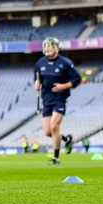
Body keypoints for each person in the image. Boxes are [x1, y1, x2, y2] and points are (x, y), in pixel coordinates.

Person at [34, 37, 81, 165]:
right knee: (48, 131)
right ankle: (66, 140)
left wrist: (63, 86)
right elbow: (37, 78)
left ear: (56, 48)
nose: (47, 48)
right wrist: (37, 84)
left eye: (49, 46)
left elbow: (77, 79)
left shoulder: (65, 63)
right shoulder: (40, 63)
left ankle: (56, 158)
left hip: (60, 99)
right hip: (46, 100)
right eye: (45, 46)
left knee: (54, 127)